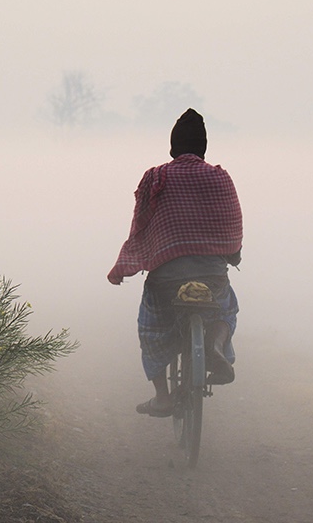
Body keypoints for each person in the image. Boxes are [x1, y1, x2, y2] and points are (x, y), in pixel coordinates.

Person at [107, 109, 243, 418]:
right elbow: (232, 223)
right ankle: (216, 346)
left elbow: (140, 226)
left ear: (173, 147)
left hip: (166, 279)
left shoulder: (156, 177)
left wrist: (130, 262)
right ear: (203, 148)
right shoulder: (219, 177)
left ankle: (162, 398)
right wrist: (231, 255)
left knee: (152, 326)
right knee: (226, 308)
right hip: (211, 275)